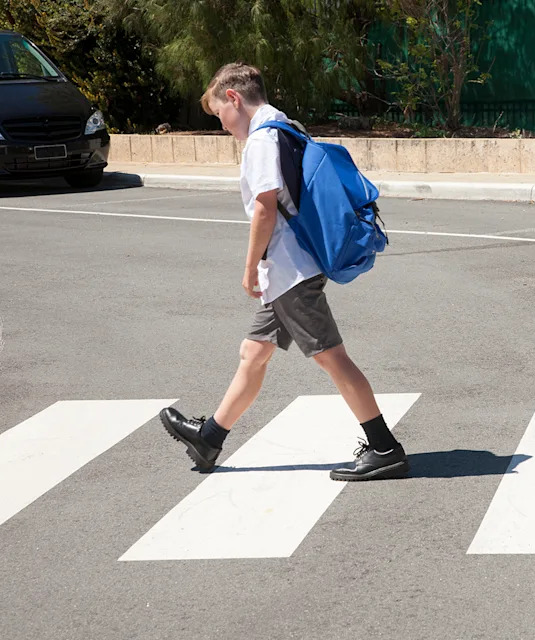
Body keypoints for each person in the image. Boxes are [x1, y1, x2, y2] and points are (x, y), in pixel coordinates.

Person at [159, 62, 408, 481]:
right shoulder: (285, 124)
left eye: (220, 113)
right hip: (295, 267)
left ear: (234, 98)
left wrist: (251, 265)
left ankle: (384, 447)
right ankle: (210, 437)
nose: (222, 125)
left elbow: (264, 207)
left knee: (332, 358)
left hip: (290, 271)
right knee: (253, 353)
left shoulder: (261, 139)